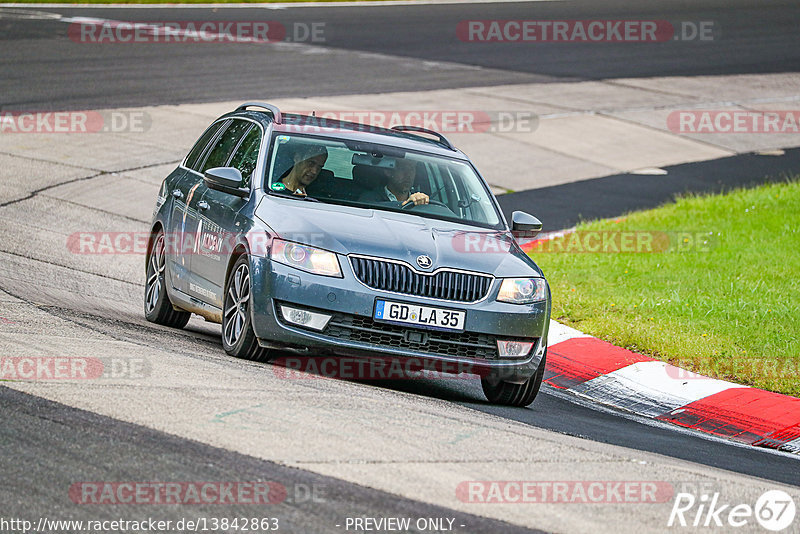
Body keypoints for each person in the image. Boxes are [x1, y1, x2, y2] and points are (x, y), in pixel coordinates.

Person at [359, 158, 429, 206]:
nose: (408, 175)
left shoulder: (420, 201)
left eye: (411, 169)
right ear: (388, 172)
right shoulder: (369, 200)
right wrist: (408, 204)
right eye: (403, 169)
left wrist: (421, 203)